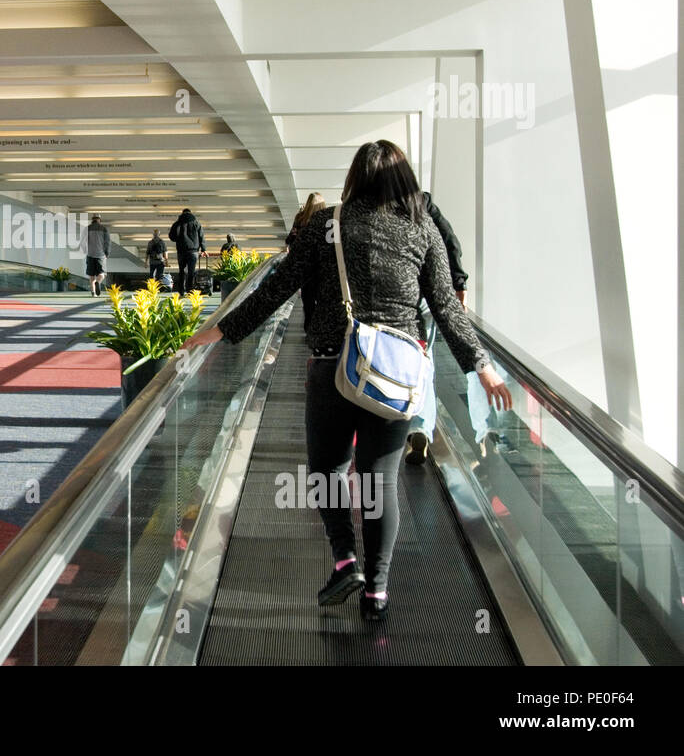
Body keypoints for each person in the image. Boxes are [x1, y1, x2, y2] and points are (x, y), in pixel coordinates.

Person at [183, 141, 512, 622]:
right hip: (396, 377)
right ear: (402, 180)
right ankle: (377, 593)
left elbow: (277, 288)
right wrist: (480, 365)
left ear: (355, 178)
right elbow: (445, 305)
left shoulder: (326, 224)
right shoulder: (423, 230)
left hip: (333, 366)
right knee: (381, 482)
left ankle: (345, 560)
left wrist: (218, 331)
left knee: (327, 472)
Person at [404, 191, 470, 466]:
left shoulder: (374, 203)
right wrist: (458, 283)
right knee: (425, 359)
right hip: (429, 296)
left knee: (397, 357)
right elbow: (450, 239)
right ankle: (419, 427)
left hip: (397, 297)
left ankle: (390, 418)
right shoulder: (423, 202)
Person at [286, 193, 328, 328]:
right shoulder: (327, 218)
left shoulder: (300, 218)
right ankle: (320, 326)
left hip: (304, 266)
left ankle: (309, 325)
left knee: (307, 297)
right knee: (322, 297)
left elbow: (290, 240)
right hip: (322, 266)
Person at [168, 208, 205, 295]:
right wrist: (203, 249)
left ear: (182, 213)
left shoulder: (177, 223)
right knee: (191, 271)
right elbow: (201, 236)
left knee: (181, 270)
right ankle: (190, 290)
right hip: (193, 251)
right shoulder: (197, 223)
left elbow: (172, 236)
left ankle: (181, 290)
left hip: (181, 251)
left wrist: (179, 239)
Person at [80, 214, 111, 296]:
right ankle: (98, 282)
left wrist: (85, 251)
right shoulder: (104, 229)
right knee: (102, 274)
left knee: (91, 275)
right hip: (101, 255)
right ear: (99, 220)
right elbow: (107, 243)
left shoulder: (87, 228)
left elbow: (82, 242)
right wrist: (107, 253)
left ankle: (93, 293)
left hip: (90, 255)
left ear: (92, 219)